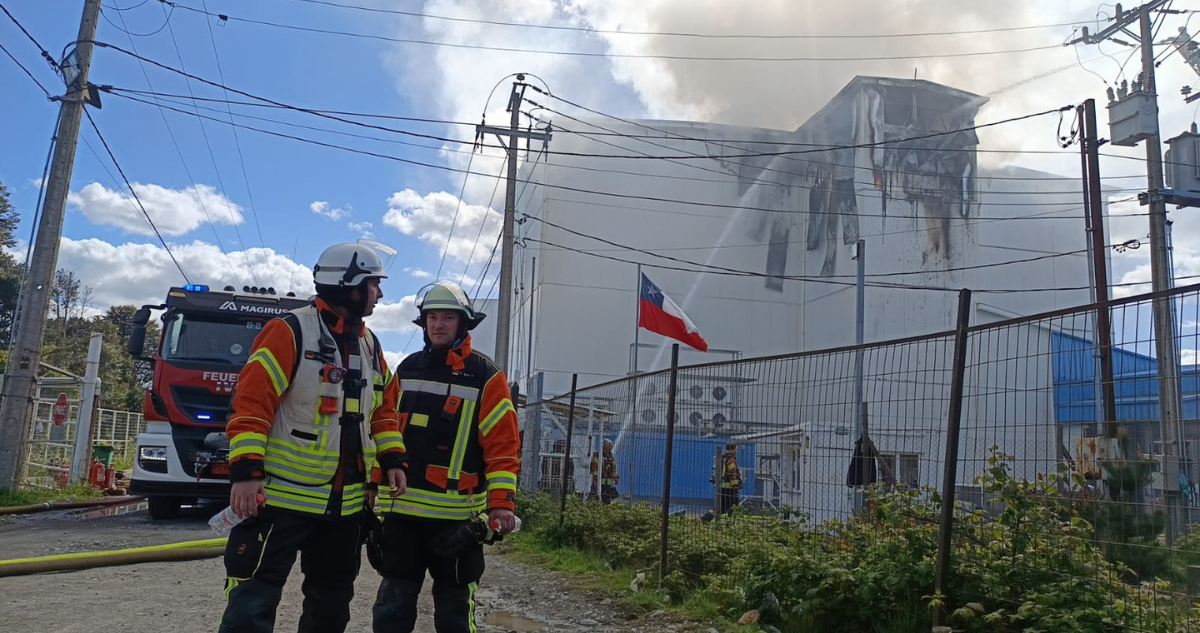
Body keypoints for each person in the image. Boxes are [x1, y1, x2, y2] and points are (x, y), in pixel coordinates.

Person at [218, 243, 408, 633]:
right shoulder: (289, 331)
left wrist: (391, 461)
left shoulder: (370, 344)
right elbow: (252, 404)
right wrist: (246, 473)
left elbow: (383, 411)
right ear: (350, 286)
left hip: (345, 507)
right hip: (279, 498)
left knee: (331, 603)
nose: (380, 294)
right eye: (374, 285)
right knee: (253, 596)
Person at [370, 281, 521, 633]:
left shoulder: (486, 377)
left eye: (447, 318)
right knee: (391, 610)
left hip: (457, 521)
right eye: (431, 317)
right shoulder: (407, 369)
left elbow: (503, 446)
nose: (437, 324)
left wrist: (502, 505)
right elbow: (383, 428)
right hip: (402, 515)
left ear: (462, 324)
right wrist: (372, 484)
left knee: (454, 614)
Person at [589, 439, 619, 504]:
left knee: (607, 500)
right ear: (605, 447)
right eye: (610, 446)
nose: (611, 447)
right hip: (599, 482)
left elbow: (613, 469)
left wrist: (616, 477)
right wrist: (596, 479)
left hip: (608, 483)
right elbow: (594, 469)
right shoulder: (597, 456)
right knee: (596, 498)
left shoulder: (611, 456)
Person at [719, 443, 741, 516]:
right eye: (735, 449)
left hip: (723, 487)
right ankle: (730, 523)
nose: (736, 451)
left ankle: (706, 517)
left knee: (722, 508)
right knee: (734, 507)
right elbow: (732, 474)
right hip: (730, 489)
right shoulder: (731, 460)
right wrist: (735, 486)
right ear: (731, 450)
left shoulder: (723, 458)